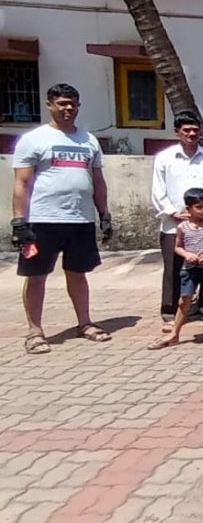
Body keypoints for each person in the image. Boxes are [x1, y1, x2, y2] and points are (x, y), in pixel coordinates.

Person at [10, 83, 113, 354]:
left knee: (78, 274)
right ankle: (35, 332)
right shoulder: (33, 140)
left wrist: (104, 214)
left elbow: (98, 181)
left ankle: (85, 323)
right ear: (49, 106)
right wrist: (19, 222)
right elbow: (21, 183)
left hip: (80, 220)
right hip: (42, 221)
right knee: (36, 276)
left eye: (73, 104)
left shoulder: (88, 140)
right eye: (62, 104)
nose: (68, 108)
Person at [151, 111, 203, 333]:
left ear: (200, 131)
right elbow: (158, 190)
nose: (191, 134)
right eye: (186, 130)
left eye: (194, 130)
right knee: (174, 267)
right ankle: (170, 311)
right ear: (177, 133)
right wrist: (172, 212)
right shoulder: (164, 157)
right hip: (175, 224)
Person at [149, 188, 203, 350]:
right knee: (184, 300)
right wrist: (186, 255)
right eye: (199, 207)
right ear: (189, 209)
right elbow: (178, 247)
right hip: (191, 268)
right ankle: (174, 334)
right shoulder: (182, 227)